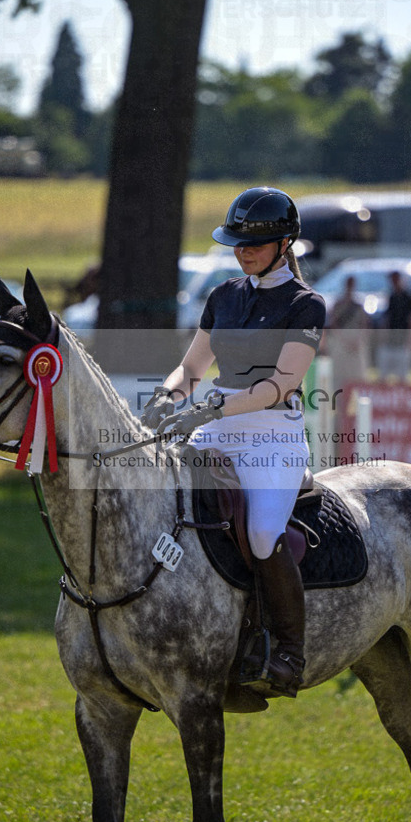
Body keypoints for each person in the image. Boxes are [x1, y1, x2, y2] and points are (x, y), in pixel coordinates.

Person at [141, 187, 326, 697]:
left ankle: (288, 650)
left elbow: (280, 385)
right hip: (214, 421)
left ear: (285, 244)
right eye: (237, 242)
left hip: (272, 433)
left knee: (263, 533)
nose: (243, 251)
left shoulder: (305, 305)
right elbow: (193, 366)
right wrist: (167, 395)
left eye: (256, 244)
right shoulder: (223, 296)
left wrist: (212, 407)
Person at [327, 275, 371, 384]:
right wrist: (343, 340)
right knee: (339, 374)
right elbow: (334, 324)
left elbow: (364, 325)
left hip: (355, 340)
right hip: (341, 341)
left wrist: (357, 340)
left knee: (357, 374)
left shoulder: (358, 306)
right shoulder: (339, 304)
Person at [378, 269, 411, 380]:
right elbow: (388, 318)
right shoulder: (392, 297)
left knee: (402, 371)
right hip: (392, 335)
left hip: (403, 335)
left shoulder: (408, 298)